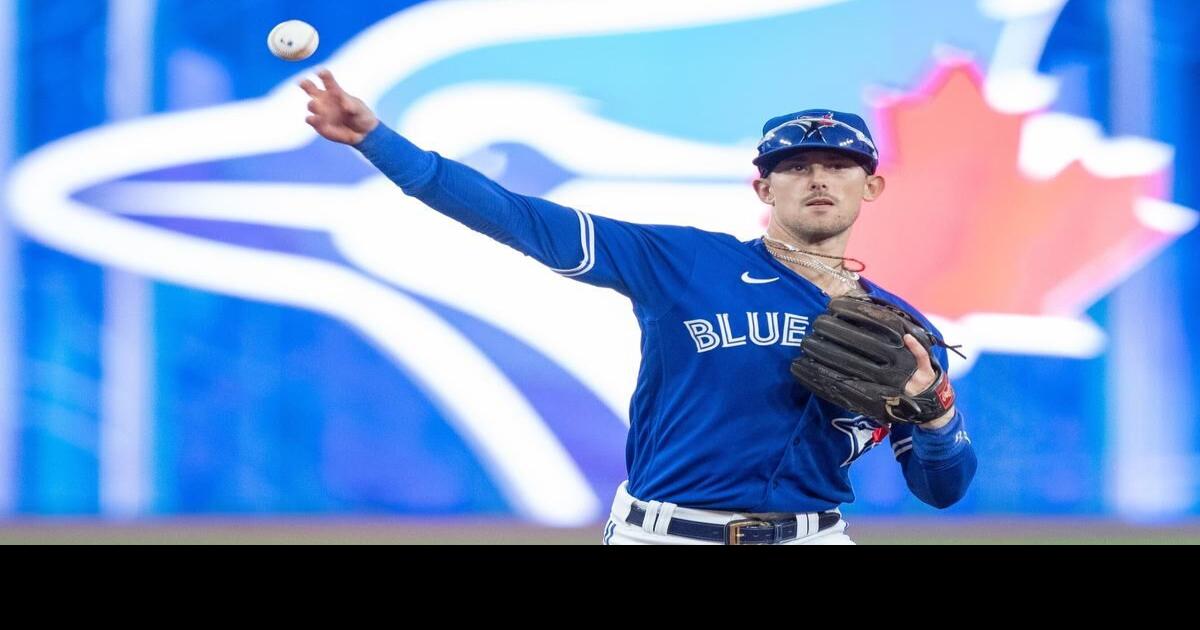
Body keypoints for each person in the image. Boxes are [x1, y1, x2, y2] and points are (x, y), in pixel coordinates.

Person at [300, 69, 977, 545]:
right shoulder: (681, 262)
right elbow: (517, 217)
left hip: (814, 536)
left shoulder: (905, 335)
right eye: (796, 166)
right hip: (667, 534)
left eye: (839, 164)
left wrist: (938, 409)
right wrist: (377, 141)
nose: (819, 177)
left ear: (873, 185)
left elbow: (942, 489)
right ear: (764, 188)